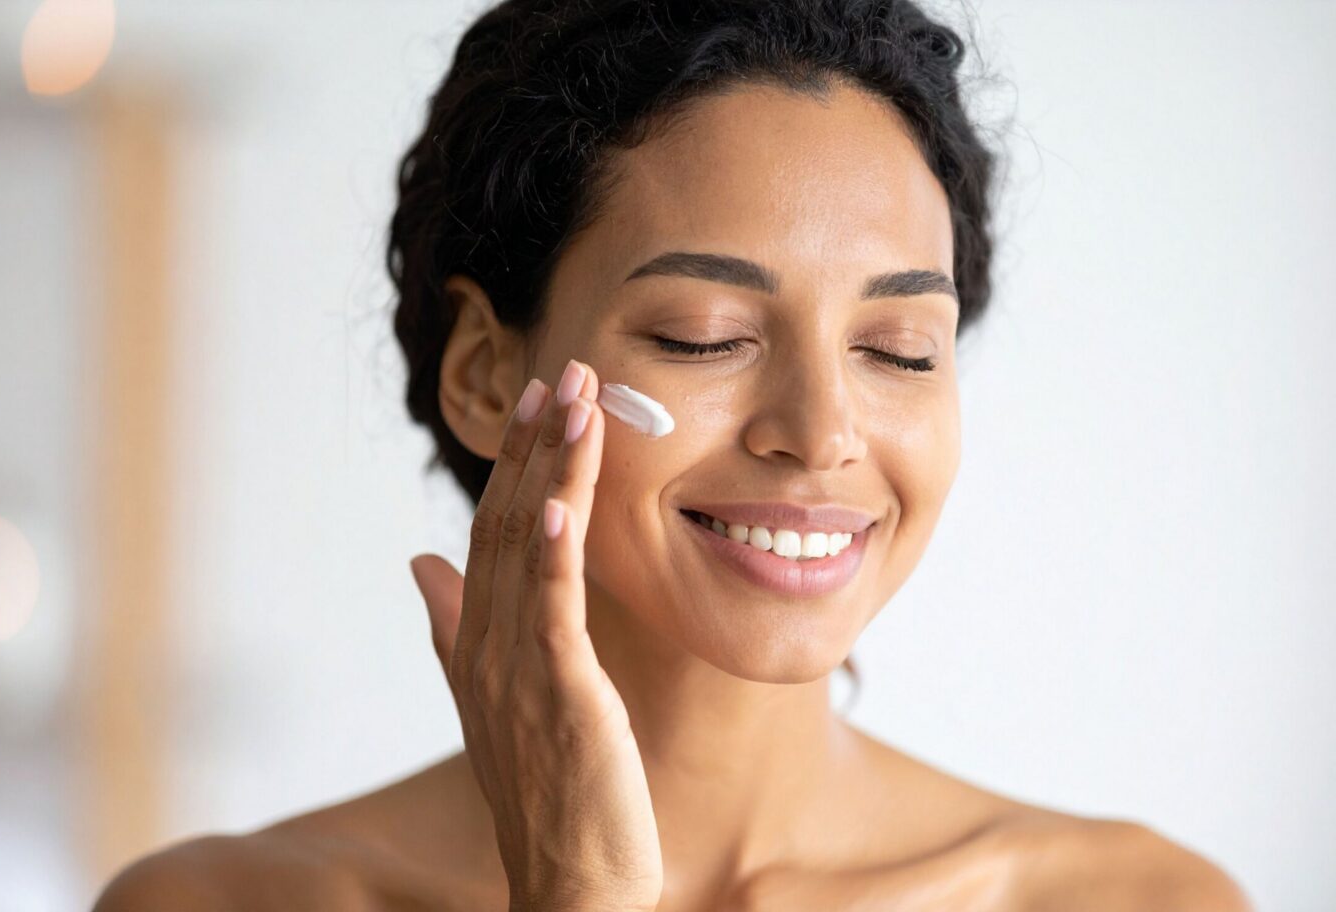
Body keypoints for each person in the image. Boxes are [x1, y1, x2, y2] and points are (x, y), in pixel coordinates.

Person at [95, 0, 1252, 908]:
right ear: (486, 374)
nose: (821, 432)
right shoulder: (220, 904)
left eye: (897, 349)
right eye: (703, 336)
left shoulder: (1140, 902)